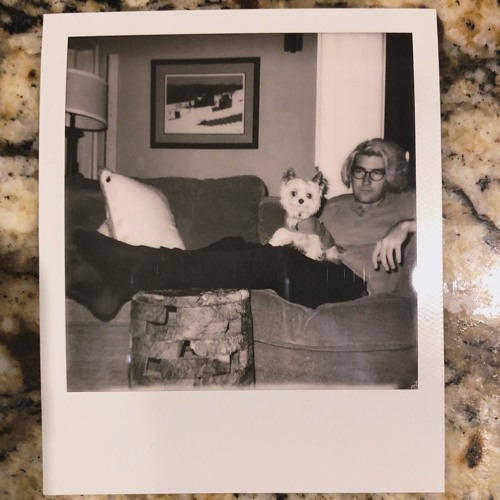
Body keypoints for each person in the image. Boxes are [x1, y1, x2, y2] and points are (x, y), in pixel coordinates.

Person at [66, 138, 416, 322]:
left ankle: (132, 266)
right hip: (315, 269)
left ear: (390, 176)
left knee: (275, 261)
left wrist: (405, 226)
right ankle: (131, 274)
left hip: (355, 285)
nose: (366, 180)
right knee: (235, 244)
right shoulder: (333, 204)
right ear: (351, 172)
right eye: (359, 171)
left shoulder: (405, 204)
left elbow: (447, 218)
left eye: (376, 173)